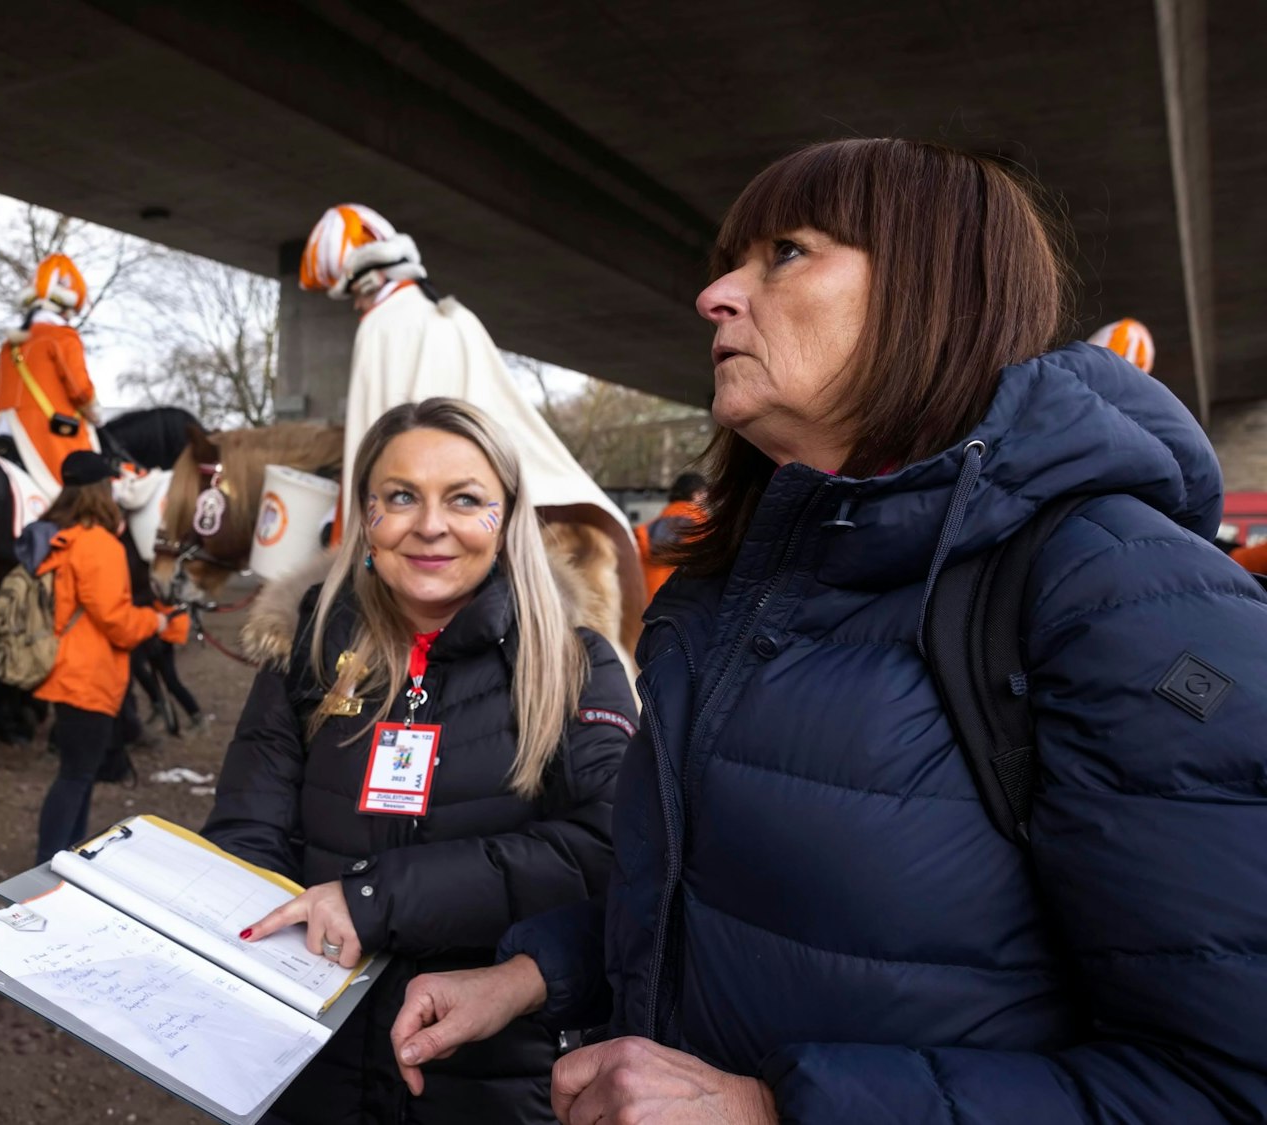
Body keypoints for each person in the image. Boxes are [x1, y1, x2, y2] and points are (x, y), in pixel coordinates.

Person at [387, 138, 1267, 1124]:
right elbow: (733, 909)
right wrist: (533, 973)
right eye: (730, 260)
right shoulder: (736, 589)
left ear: (934, 293)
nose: (714, 294)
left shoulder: (1120, 599)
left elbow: (1225, 1086)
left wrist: (777, 1111)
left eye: (785, 254)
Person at [203, 397, 637, 1124]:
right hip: (306, 1067)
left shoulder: (572, 665)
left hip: (487, 1079)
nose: (430, 524)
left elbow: (609, 845)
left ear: (506, 518)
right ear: (366, 516)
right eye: (400, 496)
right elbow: (246, 833)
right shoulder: (306, 655)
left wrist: (378, 901)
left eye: (465, 499)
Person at [299, 205, 638, 594]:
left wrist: (348, 535)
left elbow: (372, 444)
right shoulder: (456, 316)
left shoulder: (382, 326)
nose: (356, 307)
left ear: (367, 282)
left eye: (352, 296)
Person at [32, 450, 190, 864]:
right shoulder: (100, 544)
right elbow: (116, 622)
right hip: (89, 677)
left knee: (79, 774)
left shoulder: (63, 536)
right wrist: (157, 623)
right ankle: (49, 862)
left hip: (68, 673)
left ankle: (62, 856)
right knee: (76, 776)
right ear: (102, 490)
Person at [0, 254, 103, 497]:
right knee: (88, 492)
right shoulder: (62, 336)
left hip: (2, 431)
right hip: (43, 435)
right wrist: (96, 414)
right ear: (67, 307)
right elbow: (80, 389)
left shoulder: (8, 345)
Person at [634, 471, 707, 605]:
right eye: (704, 495)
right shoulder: (703, 530)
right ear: (696, 495)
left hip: (648, 609)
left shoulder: (645, 531)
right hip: (686, 612)